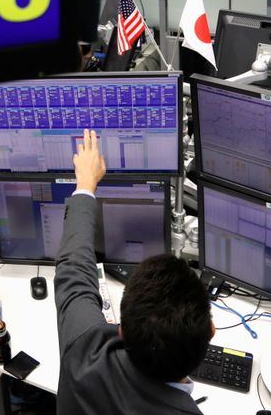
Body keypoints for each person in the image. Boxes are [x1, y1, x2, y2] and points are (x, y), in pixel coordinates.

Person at [54, 129, 213, 414]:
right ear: (210, 333)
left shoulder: (83, 352)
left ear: (121, 331)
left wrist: (86, 185)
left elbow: (73, 268)